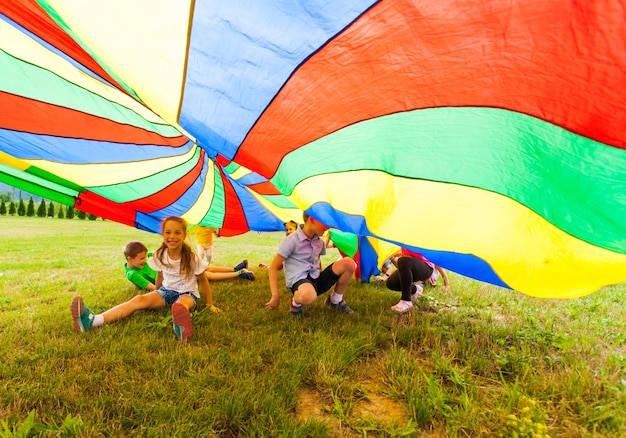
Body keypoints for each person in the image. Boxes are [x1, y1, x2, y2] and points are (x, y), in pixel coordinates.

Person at [71, 216, 220, 341]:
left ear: (184, 235)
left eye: (177, 232)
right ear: (162, 234)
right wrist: (155, 294)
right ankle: (93, 321)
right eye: (168, 232)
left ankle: (180, 327)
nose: (172, 236)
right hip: (166, 291)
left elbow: (203, 280)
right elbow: (160, 276)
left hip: (187, 294)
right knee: (138, 300)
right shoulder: (159, 254)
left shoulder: (191, 256)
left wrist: (210, 304)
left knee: (180, 305)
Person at [265, 212, 356, 317]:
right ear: (312, 219)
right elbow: (273, 268)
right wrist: (275, 296)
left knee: (348, 262)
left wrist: (323, 277)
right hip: (299, 282)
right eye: (325, 222)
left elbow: (317, 259)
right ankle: (296, 304)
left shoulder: (319, 242)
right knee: (309, 295)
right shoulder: (291, 241)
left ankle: (335, 301)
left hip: (316, 279)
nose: (328, 226)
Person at [124, 240, 254, 287]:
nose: (146, 260)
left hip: (177, 268)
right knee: (207, 275)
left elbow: (162, 253)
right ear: (130, 259)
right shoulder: (133, 274)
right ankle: (239, 273)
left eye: (145, 257)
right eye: (142, 259)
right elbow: (153, 288)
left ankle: (234, 269)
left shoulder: (147, 257)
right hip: (175, 277)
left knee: (204, 266)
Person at [385, 248, 450, 314]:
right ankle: (415, 290)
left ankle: (406, 301)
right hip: (409, 265)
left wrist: (446, 283)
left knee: (403, 260)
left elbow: (436, 262)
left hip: (426, 267)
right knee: (391, 283)